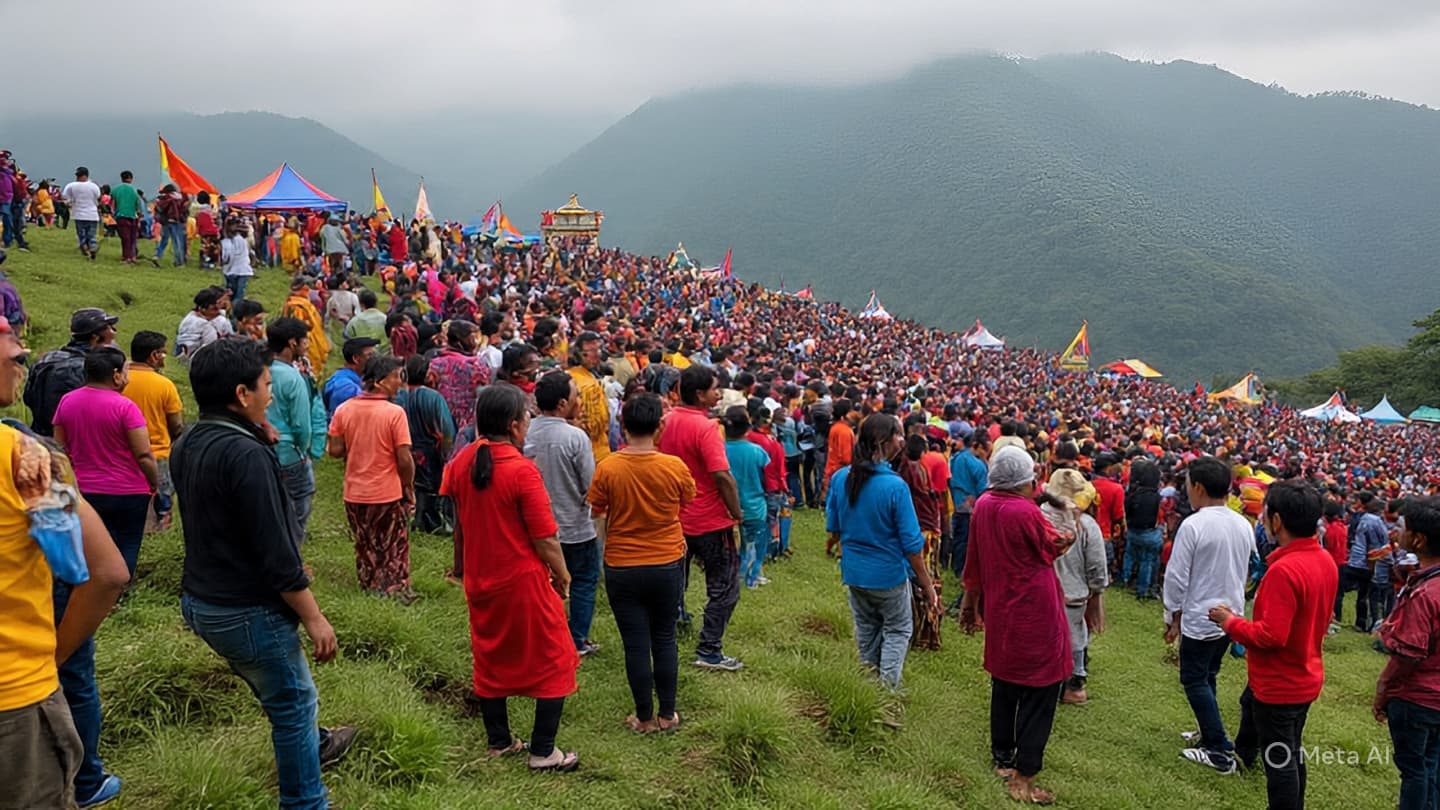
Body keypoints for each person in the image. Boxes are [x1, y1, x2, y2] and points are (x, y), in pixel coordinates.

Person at [171, 338, 356, 809]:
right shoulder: (247, 455)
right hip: (245, 608)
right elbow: (276, 554)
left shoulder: (191, 439)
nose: (271, 394)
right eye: (266, 385)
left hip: (201, 599)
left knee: (279, 689)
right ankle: (305, 801)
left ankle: (316, 746)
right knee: (293, 704)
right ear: (241, 393)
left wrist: (258, 434)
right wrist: (315, 617)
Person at [0, 310, 130, 809]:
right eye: (7, 340)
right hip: (15, 695)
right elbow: (99, 573)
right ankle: (92, 778)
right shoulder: (23, 458)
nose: (20, 352)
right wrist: (51, 659)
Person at [440, 383, 580, 771]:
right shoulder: (522, 471)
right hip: (522, 582)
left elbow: (461, 525)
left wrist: (461, 568)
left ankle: (499, 741)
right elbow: (545, 538)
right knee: (555, 658)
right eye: (526, 416)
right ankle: (543, 751)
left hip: (481, 580)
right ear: (515, 424)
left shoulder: (462, 462)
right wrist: (563, 575)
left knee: (490, 656)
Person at [1209, 481, 1338, 810]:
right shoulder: (1324, 560)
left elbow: (1271, 636)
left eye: (1266, 514)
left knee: (1280, 763)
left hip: (1280, 684)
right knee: (1291, 752)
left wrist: (1229, 622)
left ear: (1276, 521)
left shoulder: (1285, 570)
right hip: (1305, 674)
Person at [959, 445, 1072, 806]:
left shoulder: (984, 505)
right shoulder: (1024, 511)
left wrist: (970, 603)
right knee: (1042, 690)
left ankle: (1003, 757)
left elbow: (973, 560)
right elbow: (1054, 544)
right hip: (1034, 610)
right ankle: (1024, 775)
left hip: (1000, 607)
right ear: (1026, 479)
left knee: (1005, 684)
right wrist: (1071, 527)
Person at [588, 393, 693, 733]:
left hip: (622, 564)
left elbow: (597, 513)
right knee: (664, 637)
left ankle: (644, 717)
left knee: (635, 643)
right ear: (659, 425)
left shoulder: (608, 468)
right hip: (666, 561)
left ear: (623, 425)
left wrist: (602, 555)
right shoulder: (674, 467)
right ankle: (668, 714)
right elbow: (686, 500)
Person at [826, 413, 938, 689]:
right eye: (898, 434)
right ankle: (887, 692)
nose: (903, 440)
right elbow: (913, 546)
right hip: (888, 575)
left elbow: (835, 527)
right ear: (882, 441)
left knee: (867, 629)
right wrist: (927, 585)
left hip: (854, 572)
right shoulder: (894, 486)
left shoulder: (842, 478)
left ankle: (868, 685)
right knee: (898, 629)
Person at [1163, 456, 1255, 774]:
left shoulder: (1195, 524)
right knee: (1208, 674)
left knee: (1193, 678)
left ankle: (1218, 748)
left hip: (1202, 614)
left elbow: (1176, 576)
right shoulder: (1242, 523)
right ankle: (1208, 733)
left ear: (1198, 487)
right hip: (1230, 615)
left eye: (1188, 484)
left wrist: (1171, 616)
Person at [657, 365, 746, 671]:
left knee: (674, 583)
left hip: (675, 519)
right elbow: (721, 475)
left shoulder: (665, 422)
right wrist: (736, 512)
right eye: (714, 388)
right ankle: (709, 649)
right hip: (709, 520)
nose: (718, 392)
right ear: (700, 394)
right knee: (724, 587)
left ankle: (667, 635)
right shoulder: (706, 428)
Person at [52, 347, 160, 576]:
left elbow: (59, 449)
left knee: (88, 547)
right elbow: (143, 454)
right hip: (128, 491)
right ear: (116, 375)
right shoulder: (125, 407)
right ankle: (118, 591)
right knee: (127, 545)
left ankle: (89, 589)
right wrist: (154, 482)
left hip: (83, 490)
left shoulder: (67, 401)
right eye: (125, 371)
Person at [327, 355, 417, 602]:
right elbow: (404, 459)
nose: (400, 383)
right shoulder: (394, 413)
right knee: (392, 544)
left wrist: (357, 443)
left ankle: (369, 587)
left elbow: (334, 451)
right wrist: (408, 486)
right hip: (386, 492)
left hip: (354, 493)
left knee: (364, 543)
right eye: (397, 377)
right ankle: (393, 591)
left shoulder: (344, 410)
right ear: (379, 382)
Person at [524, 372, 601, 656]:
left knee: (544, 584)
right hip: (575, 527)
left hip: (536, 528)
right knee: (582, 580)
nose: (578, 401)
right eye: (575, 395)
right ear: (561, 403)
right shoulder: (574, 437)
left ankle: (546, 636)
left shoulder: (525, 431)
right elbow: (590, 485)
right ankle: (576, 639)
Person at [1373, 496, 1440, 810]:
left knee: (1413, 769)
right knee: (1430, 765)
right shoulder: (1427, 581)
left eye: (1403, 527)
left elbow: (1409, 655)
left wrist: (1384, 687)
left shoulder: (1425, 593)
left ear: (1419, 539)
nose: (1397, 531)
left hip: (1417, 698)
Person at [1043, 469, 1108, 705]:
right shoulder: (1087, 526)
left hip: (1041, 592)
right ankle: (1074, 685)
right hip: (1072, 594)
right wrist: (1097, 593)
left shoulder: (1037, 516)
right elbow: (1097, 566)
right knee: (1074, 638)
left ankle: (1044, 683)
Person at [266, 318, 327, 536]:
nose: (308, 345)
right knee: (297, 509)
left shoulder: (259, 369)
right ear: (293, 343)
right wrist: (305, 449)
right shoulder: (292, 377)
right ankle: (291, 559)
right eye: (306, 341)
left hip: (260, 450)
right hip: (289, 453)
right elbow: (301, 424)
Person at [121, 331, 184, 530]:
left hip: (122, 452)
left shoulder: (119, 380)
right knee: (162, 505)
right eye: (163, 353)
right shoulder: (164, 385)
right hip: (157, 452)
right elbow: (176, 425)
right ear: (154, 355)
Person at [23, 308, 119, 437]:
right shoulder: (89, 368)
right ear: (95, 338)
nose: (115, 332)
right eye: (110, 328)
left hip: (38, 436)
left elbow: (28, 397)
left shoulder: (46, 359)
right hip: (72, 441)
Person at [394, 354, 456, 535]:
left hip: (403, 448)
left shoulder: (397, 396)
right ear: (427, 373)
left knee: (408, 485)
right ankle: (429, 523)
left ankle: (411, 520)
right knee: (430, 488)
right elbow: (447, 430)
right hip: (429, 450)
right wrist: (446, 453)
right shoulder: (433, 397)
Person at [722, 405, 770, 589]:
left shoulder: (720, 450)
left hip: (727, 505)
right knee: (756, 543)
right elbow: (767, 476)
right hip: (755, 505)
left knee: (736, 544)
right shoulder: (757, 452)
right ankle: (752, 577)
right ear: (748, 428)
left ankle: (738, 573)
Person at [1338, 491, 1390, 632]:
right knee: (1365, 595)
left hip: (1354, 560)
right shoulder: (1376, 522)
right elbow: (1382, 542)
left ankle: (1337, 617)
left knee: (1341, 590)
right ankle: (1363, 623)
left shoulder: (1359, 517)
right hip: (1368, 562)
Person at [429, 320, 491, 435]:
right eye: (474, 337)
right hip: (470, 425)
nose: (477, 341)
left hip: (441, 422)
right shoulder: (477, 364)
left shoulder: (435, 363)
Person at [948, 431, 989, 580]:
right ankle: (963, 571)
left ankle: (956, 567)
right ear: (976, 446)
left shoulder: (955, 458)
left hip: (958, 504)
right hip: (972, 508)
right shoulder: (978, 465)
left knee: (959, 539)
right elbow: (983, 489)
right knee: (968, 541)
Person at [567, 331, 612, 463]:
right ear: (578, 354)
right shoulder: (587, 385)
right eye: (591, 350)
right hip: (595, 453)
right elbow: (595, 426)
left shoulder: (575, 376)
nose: (597, 354)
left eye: (598, 349)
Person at [1124, 458, 1164, 598]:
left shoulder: (1132, 494)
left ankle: (1125, 579)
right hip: (1150, 533)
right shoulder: (1158, 498)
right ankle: (1143, 588)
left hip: (1132, 531)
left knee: (1129, 554)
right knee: (1147, 561)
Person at [282, 276, 330, 379]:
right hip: (307, 338)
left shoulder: (303, 302)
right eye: (306, 287)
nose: (309, 290)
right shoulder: (296, 305)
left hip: (313, 336)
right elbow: (298, 325)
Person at [322, 337, 379, 418]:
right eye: (369, 355)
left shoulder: (351, 380)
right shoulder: (345, 388)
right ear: (356, 358)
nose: (374, 359)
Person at [176, 287, 226, 363]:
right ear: (203, 309)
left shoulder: (191, 316)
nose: (218, 312)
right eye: (214, 309)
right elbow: (211, 346)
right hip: (196, 359)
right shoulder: (204, 325)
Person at [62, 167, 102, 261]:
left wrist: (70, 202)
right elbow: (98, 197)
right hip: (92, 215)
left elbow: (65, 197)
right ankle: (92, 247)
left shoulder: (71, 185)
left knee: (81, 235)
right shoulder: (94, 186)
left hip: (79, 214)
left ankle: (85, 250)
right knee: (91, 234)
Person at [343, 288, 389, 354]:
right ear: (376, 302)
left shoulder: (354, 322)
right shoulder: (385, 318)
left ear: (361, 304)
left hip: (363, 356)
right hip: (384, 356)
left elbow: (348, 340)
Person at [111, 171, 142, 265]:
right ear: (131, 178)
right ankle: (133, 256)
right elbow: (138, 205)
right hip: (133, 216)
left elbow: (112, 204)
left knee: (125, 238)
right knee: (133, 238)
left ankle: (126, 257)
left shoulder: (115, 189)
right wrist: (139, 216)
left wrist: (113, 214)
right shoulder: (134, 190)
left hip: (121, 216)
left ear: (121, 178)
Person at [220, 218, 255, 301]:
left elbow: (226, 257)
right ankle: (237, 310)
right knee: (239, 294)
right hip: (243, 269)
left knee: (231, 293)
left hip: (231, 270)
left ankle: (231, 310)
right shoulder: (244, 239)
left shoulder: (226, 241)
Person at [153, 184, 188, 266]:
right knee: (176, 242)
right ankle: (178, 261)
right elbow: (183, 210)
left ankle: (157, 255)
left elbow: (159, 208)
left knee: (164, 240)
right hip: (175, 222)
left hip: (165, 222)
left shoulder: (165, 198)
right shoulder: (179, 198)